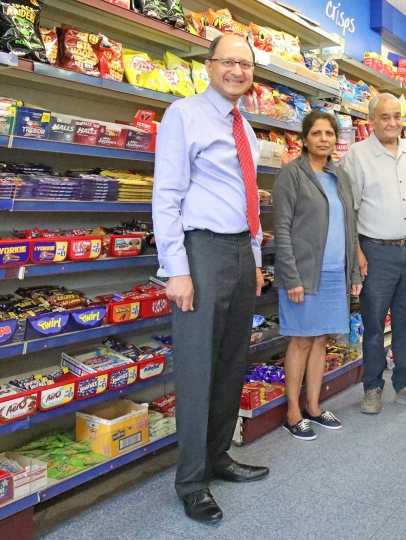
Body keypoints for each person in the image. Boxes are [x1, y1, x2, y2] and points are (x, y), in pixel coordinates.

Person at [152, 34, 269, 524]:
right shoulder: (184, 115)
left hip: (242, 251)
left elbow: (249, 197)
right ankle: (191, 481)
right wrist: (176, 268)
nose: (237, 70)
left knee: (231, 363)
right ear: (209, 66)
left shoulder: (247, 127)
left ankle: (218, 456)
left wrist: (257, 257)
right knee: (199, 369)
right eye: (228, 61)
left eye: (245, 64)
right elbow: (166, 195)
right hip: (201, 251)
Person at [343, 93, 406, 415]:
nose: (393, 123)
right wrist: (357, 251)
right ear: (371, 120)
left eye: (397, 116)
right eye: (385, 117)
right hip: (376, 251)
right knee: (372, 323)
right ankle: (372, 388)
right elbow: (349, 211)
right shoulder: (357, 155)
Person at [273, 110, 362, 441]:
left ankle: (313, 405)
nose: (324, 139)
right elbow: (281, 229)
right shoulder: (291, 175)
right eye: (317, 133)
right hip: (304, 275)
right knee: (301, 340)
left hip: (335, 274)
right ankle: (292, 412)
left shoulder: (340, 178)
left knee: (322, 338)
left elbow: (349, 228)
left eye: (329, 134)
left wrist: (353, 270)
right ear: (305, 138)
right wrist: (291, 277)